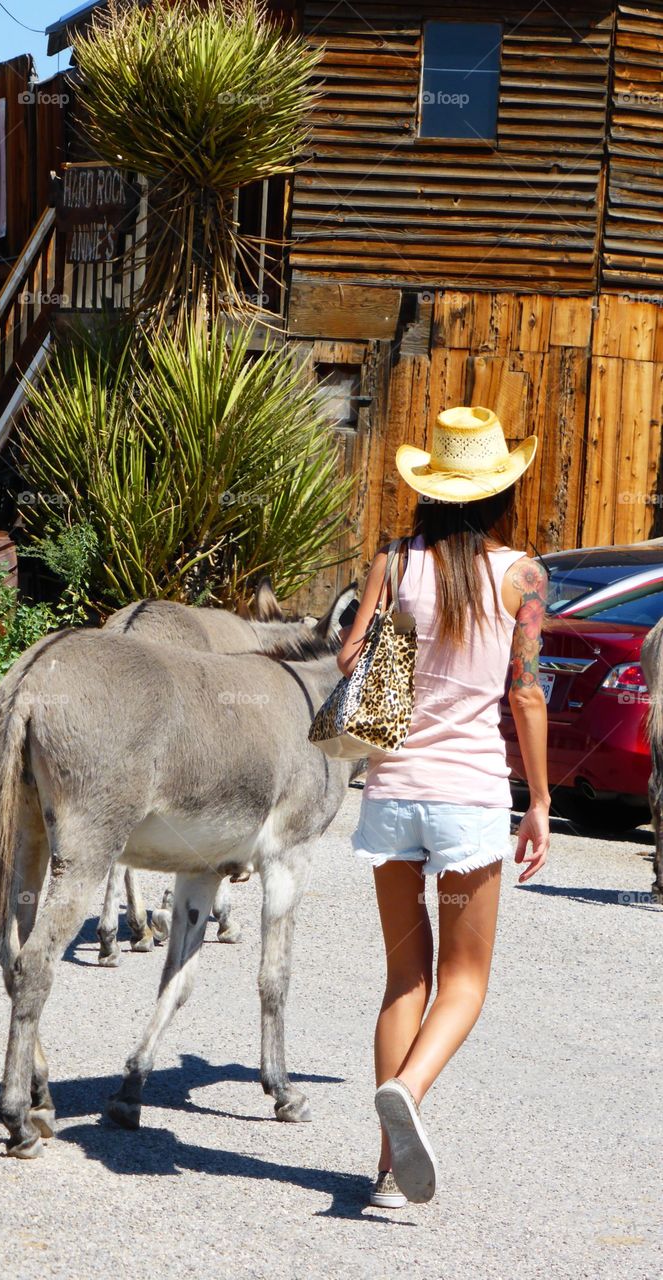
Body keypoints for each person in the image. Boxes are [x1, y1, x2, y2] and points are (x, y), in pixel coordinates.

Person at [336, 406, 550, 1210]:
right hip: (467, 803)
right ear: (500, 489)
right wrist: (538, 801)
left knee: (404, 978)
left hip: (391, 796)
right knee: (464, 980)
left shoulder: (394, 559)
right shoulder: (522, 575)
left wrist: (401, 638)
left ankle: (389, 1172)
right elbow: (523, 693)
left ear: (431, 486)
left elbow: (352, 657)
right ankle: (411, 1092)